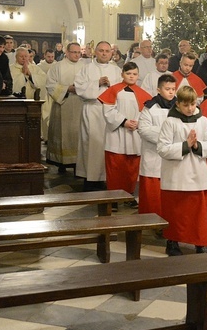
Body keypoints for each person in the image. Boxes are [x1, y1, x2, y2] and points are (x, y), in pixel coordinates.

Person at [157, 85, 207, 256]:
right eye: (186, 105)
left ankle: (200, 242)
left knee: (198, 213)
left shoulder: (203, 121)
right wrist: (185, 145)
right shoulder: (170, 121)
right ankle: (172, 242)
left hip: (197, 173)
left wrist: (197, 145)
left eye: (193, 104)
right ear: (178, 104)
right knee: (175, 212)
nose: (190, 109)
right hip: (176, 174)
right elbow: (162, 148)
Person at [99, 61, 152, 201]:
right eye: (128, 73)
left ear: (138, 76)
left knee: (131, 167)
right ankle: (113, 199)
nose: (131, 76)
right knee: (115, 167)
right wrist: (124, 122)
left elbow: (146, 112)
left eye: (134, 74)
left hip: (134, 134)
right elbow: (108, 110)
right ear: (122, 74)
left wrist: (138, 122)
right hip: (116, 134)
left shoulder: (143, 93)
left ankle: (128, 196)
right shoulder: (114, 90)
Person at [74, 41, 123, 191]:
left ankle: (105, 178)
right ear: (96, 52)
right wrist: (97, 83)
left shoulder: (116, 70)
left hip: (110, 111)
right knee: (91, 145)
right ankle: (90, 180)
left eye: (107, 51)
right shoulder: (87, 68)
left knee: (107, 145)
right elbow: (79, 88)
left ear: (111, 53)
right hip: (92, 109)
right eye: (101, 50)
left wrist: (109, 86)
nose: (104, 53)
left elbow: (121, 89)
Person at [137, 74, 178, 217]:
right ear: (159, 90)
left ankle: (168, 220)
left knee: (171, 193)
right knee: (152, 194)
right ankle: (151, 221)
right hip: (153, 156)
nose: (171, 92)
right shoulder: (150, 108)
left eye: (173, 89)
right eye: (168, 89)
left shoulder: (180, 107)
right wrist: (165, 137)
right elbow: (143, 129)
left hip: (173, 156)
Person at [46, 42, 85, 173]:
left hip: (81, 104)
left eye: (79, 52)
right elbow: (50, 85)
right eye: (74, 52)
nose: (76, 55)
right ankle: (61, 162)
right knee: (63, 134)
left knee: (78, 133)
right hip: (64, 104)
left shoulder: (85, 66)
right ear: (67, 53)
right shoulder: (58, 66)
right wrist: (67, 88)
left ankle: (78, 162)